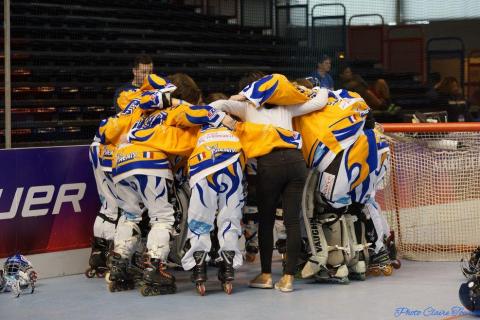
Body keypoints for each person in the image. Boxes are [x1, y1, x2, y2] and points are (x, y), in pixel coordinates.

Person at [211, 73, 329, 292]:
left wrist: (239, 98)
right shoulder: (286, 106)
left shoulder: (246, 108)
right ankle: (288, 279)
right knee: (292, 220)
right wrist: (316, 88)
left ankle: (265, 275)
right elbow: (320, 101)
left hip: (270, 164)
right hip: (296, 162)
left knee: (266, 221)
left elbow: (215, 105)